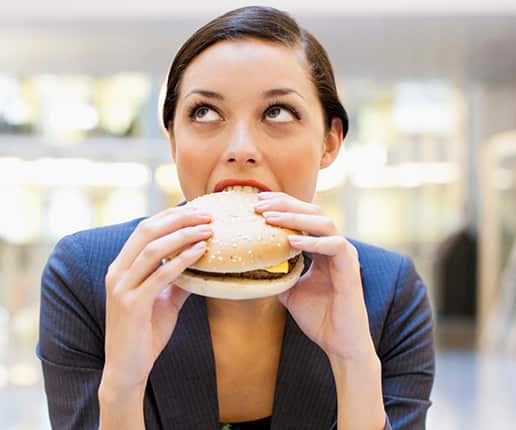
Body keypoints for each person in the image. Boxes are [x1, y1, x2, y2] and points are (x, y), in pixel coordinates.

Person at [36, 6, 435, 430]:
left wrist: (352, 363)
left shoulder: (388, 291)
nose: (240, 149)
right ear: (172, 139)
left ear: (329, 142)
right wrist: (123, 385)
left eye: (277, 112)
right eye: (205, 112)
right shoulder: (91, 275)